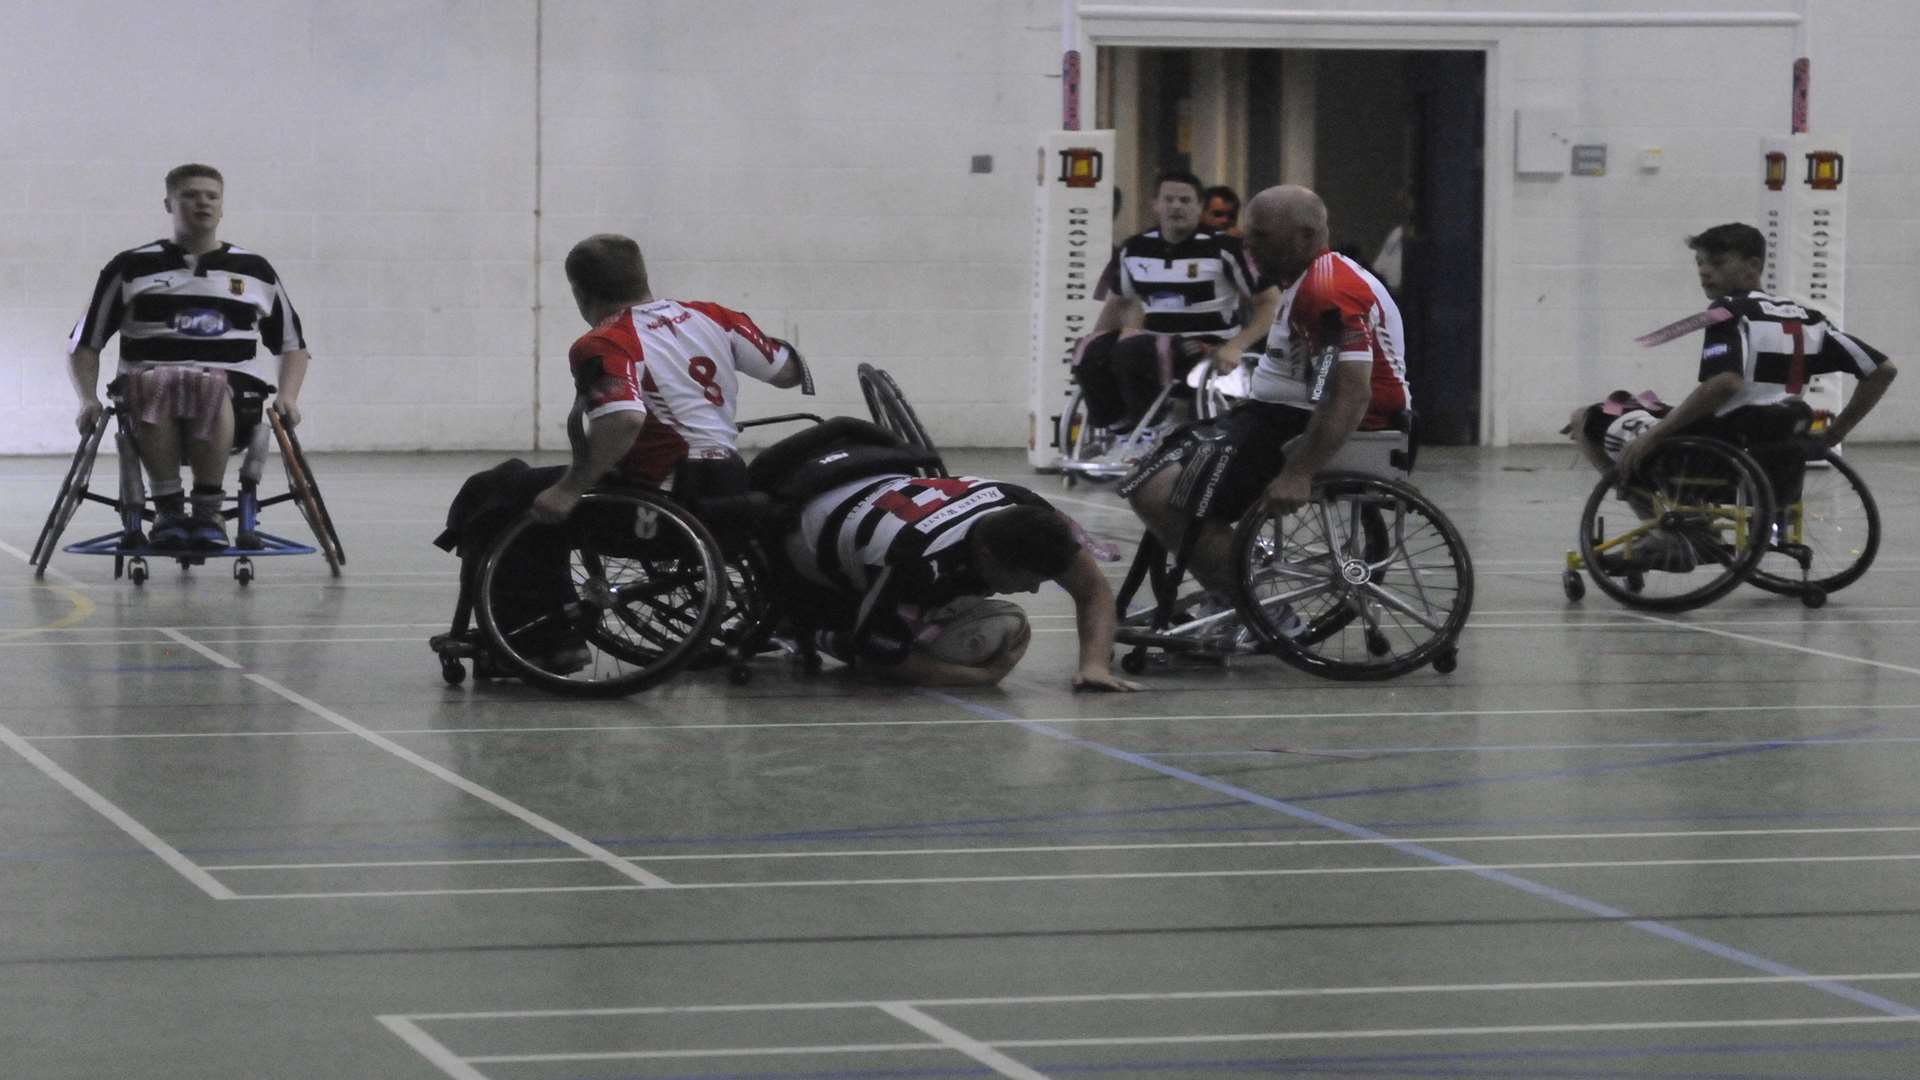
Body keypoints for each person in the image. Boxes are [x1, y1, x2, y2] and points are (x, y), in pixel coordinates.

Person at [1122, 184, 1411, 598]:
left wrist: (1299, 472)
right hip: (1277, 415)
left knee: (1163, 496)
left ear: (1306, 236)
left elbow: (1347, 391)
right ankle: (1232, 577)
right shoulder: (1307, 279)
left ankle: (1257, 606)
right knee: (1151, 474)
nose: (1248, 244)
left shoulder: (1328, 293)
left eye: (1261, 236)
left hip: (1309, 424)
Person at [1569, 222, 1897, 567]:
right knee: (1641, 405)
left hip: (1712, 454)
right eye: (1700, 263)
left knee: (1588, 417)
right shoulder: (1809, 319)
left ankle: (1669, 535)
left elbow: (1725, 383)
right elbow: (1882, 370)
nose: (1705, 271)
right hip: (1774, 454)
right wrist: (1835, 433)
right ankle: (1686, 527)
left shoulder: (1728, 313)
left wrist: (1653, 436)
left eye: (1717, 262)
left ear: (1753, 265)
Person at [66, 164, 311, 550]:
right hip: (148, 385)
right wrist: (87, 398)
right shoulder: (130, 267)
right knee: (163, 381)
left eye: (212, 196)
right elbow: (85, 344)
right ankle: (168, 510)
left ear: (222, 207)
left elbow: (292, 345)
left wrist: (289, 395)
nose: (203, 203)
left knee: (206, 382)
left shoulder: (256, 271)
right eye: (191, 195)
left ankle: (207, 511)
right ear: (169, 203)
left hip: (233, 392)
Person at [779, 467, 1139, 691]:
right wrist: (976, 678)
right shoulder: (915, 564)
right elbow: (880, 657)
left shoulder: (1032, 513)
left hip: (880, 492)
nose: (1032, 589)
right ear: (989, 556)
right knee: (966, 636)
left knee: (994, 625)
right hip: (812, 543)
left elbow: (1092, 589)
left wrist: (1094, 664)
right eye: (1027, 579)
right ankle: (810, 627)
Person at [529, 233, 806, 523]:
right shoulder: (716, 316)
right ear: (641, 277)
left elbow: (623, 420)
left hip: (665, 493)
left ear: (580, 293)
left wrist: (569, 490)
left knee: (504, 487)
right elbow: (788, 374)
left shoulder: (606, 342)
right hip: (729, 478)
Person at [1075, 170, 1279, 441]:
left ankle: (1154, 426)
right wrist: (1096, 341)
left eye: (1185, 200)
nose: (1176, 206)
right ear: (1155, 204)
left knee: (1134, 349)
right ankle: (1121, 430)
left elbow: (1270, 302)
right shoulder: (1134, 248)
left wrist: (1237, 345)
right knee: (1089, 350)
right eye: (1168, 199)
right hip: (1150, 344)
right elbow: (1118, 303)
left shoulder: (1226, 248)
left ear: (1200, 207)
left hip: (1207, 344)